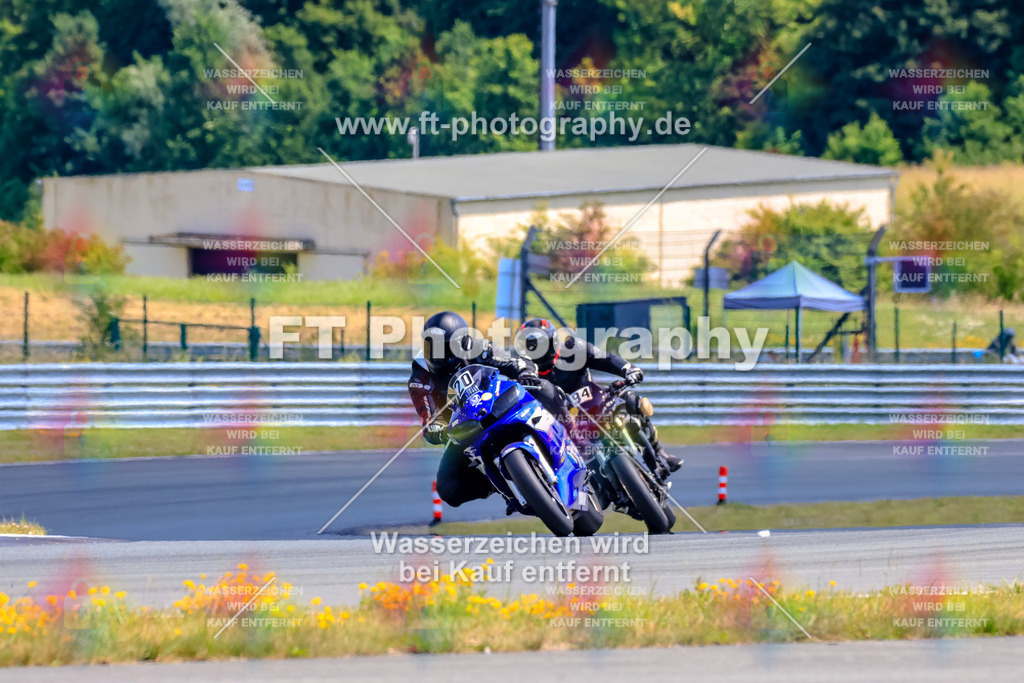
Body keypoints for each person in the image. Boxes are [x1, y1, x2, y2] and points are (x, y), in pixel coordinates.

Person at [407, 311, 582, 507]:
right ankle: (501, 484)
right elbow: (427, 413)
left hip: (499, 401)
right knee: (448, 489)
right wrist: (435, 429)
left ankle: (574, 438)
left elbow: (513, 362)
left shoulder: (479, 348)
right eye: (432, 346)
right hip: (463, 428)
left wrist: (524, 371)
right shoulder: (419, 377)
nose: (437, 354)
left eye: (444, 347)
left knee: (543, 387)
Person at [517, 318, 682, 478]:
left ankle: (660, 454)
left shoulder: (573, 349)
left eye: (537, 344)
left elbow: (605, 358)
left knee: (634, 402)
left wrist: (628, 369)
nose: (534, 349)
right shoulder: (525, 375)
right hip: (567, 428)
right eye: (529, 346)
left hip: (598, 404)